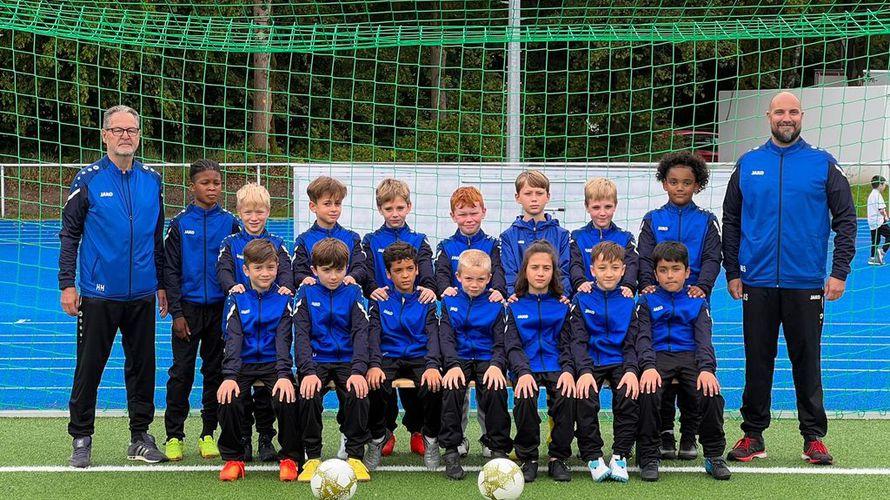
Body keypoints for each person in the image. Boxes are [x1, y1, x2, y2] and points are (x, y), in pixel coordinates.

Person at [722, 91, 857, 466]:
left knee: (807, 361)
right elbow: (731, 220)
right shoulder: (749, 163)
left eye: (793, 111)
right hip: (757, 281)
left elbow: (846, 220)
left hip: (806, 282)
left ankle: (813, 437)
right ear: (769, 116)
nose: (786, 117)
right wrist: (733, 271)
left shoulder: (822, 164)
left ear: (802, 116)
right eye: (780, 111)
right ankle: (752, 435)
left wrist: (839, 271)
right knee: (757, 361)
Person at [59, 104, 167, 467]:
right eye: (118, 130)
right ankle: (81, 437)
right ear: (105, 135)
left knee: (143, 368)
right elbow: (70, 234)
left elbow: (156, 239)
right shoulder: (87, 180)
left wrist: (161, 284)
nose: (125, 136)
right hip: (98, 293)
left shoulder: (152, 180)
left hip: (143, 294)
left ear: (139, 136)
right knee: (89, 368)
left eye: (131, 130)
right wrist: (67, 284)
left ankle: (140, 437)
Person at [637, 151, 722, 460]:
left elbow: (712, 257)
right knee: (661, 365)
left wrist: (703, 286)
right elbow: (644, 256)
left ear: (697, 185)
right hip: (659, 297)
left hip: (692, 300)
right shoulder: (653, 219)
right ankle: (664, 431)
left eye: (687, 182)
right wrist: (647, 283)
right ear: (664, 184)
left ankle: (689, 433)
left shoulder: (707, 221)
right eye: (673, 182)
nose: (680, 187)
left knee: (693, 365)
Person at [163, 160, 240, 461]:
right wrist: (177, 313)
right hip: (188, 311)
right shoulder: (180, 224)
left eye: (217, 183)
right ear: (192, 186)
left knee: (215, 371)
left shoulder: (230, 223)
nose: (212, 188)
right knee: (181, 373)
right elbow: (170, 270)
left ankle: (208, 432)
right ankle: (174, 435)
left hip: (220, 310)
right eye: (205, 183)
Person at [635, 242, 731, 482]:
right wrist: (648, 367)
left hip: (690, 356)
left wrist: (707, 369)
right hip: (657, 356)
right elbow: (643, 338)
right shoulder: (646, 301)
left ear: (687, 272)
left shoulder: (697, 301)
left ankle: (714, 455)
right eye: (663, 270)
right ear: (655, 273)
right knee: (647, 391)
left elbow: (704, 340)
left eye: (675, 269)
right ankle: (648, 456)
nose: (670, 275)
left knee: (710, 392)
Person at [217, 182, 294, 462]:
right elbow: (223, 270)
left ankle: (265, 437)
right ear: (239, 212)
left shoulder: (278, 243)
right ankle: (242, 440)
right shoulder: (230, 243)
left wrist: (285, 287)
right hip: (243, 314)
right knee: (238, 390)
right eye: (248, 212)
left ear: (268, 212)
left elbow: (286, 271)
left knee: (267, 394)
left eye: (259, 212)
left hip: (270, 317)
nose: (254, 217)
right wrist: (231, 286)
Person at [216, 239, 303, 482]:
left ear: (277, 268)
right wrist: (230, 376)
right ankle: (234, 458)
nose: (265, 273)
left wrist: (284, 375)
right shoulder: (236, 298)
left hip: (273, 364)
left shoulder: (284, 299)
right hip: (242, 364)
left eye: (270, 267)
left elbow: (283, 340)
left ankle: (290, 457)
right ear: (246, 270)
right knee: (228, 396)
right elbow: (233, 338)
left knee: (287, 395)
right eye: (258, 268)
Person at [361, 178, 436, 457]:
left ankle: (418, 429)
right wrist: (372, 289)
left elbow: (427, 273)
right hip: (385, 316)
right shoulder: (371, 241)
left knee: (420, 378)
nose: (395, 213)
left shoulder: (419, 240)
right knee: (381, 377)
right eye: (389, 208)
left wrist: (428, 288)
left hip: (414, 316)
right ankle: (385, 430)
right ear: (380, 209)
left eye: (400, 208)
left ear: (409, 207)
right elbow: (367, 273)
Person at [294, 238, 373, 482]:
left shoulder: (353, 292)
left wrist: (358, 370)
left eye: (339, 269)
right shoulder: (305, 292)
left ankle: (355, 456)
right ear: (314, 270)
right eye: (326, 270)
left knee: (359, 392)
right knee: (307, 393)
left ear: (347, 268)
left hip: (347, 360)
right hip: (316, 360)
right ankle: (312, 457)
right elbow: (301, 335)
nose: (333, 276)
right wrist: (308, 372)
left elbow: (361, 333)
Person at [435, 186, 505, 457]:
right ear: (453, 216)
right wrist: (445, 289)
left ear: (483, 212)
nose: (468, 219)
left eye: (473, 213)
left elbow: (499, 273)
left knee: (491, 386)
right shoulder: (446, 246)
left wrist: (499, 290)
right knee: (456, 386)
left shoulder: (493, 244)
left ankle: (490, 439)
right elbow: (441, 275)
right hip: (461, 331)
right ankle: (458, 439)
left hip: (484, 341)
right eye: (462, 214)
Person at [365, 243, 443, 471]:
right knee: (374, 383)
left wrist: (432, 365)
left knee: (434, 384)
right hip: (388, 356)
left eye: (410, 269)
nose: (405, 275)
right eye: (398, 270)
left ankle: (430, 438)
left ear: (417, 269)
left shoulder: (426, 299)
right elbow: (373, 335)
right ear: (388, 274)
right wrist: (374, 365)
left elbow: (433, 335)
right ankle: (378, 438)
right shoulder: (380, 299)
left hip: (419, 356)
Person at [503, 241, 576, 484]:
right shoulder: (514, 305)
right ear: (525, 271)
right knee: (525, 397)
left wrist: (568, 370)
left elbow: (568, 344)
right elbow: (512, 346)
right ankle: (528, 457)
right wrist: (523, 372)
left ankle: (558, 457)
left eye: (547, 268)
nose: (541, 273)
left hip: (557, 365)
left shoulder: (563, 305)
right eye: (535, 267)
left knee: (567, 395)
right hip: (526, 366)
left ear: (554, 272)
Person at [437, 250, 512, 480]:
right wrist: (452, 365)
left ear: (489, 278)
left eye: (480, 279)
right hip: (458, 358)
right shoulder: (449, 301)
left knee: (495, 388)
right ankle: (452, 449)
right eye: (468, 278)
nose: (474, 284)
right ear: (458, 276)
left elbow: (501, 341)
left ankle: (497, 448)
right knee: (452, 387)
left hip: (487, 358)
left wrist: (497, 365)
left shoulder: (496, 304)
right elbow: (445, 338)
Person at [570, 241, 640, 483]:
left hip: (619, 360)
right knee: (584, 396)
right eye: (602, 268)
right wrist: (584, 371)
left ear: (623, 271)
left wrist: (631, 369)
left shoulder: (628, 301)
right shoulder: (582, 299)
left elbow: (631, 342)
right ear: (592, 270)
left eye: (614, 268)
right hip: (591, 361)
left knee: (629, 393)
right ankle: (593, 455)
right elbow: (577, 341)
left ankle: (620, 455)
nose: (608, 273)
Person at [500, 170, 572, 297]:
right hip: (520, 302)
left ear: (548, 196)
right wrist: (514, 296)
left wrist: (563, 296)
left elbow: (564, 272)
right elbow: (509, 273)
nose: (534, 199)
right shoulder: (508, 236)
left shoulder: (562, 235)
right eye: (528, 193)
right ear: (517, 197)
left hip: (553, 302)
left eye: (539, 193)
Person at [292, 176, 367, 286]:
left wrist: (353, 276)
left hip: (345, 294)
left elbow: (360, 267)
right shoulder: (303, 240)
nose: (334, 209)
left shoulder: (352, 238)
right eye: (327, 204)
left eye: (337, 203)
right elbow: (298, 271)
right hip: (315, 295)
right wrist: (304, 278)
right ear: (313, 206)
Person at [569, 178, 639, 296]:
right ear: (587, 206)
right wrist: (580, 282)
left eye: (608, 207)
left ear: (615, 206)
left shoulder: (626, 238)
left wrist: (628, 286)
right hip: (586, 297)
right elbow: (574, 264)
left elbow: (632, 265)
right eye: (596, 207)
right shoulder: (577, 237)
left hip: (617, 299)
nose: (602, 213)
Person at [867, 175, 890, 265]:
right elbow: (881, 209)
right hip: (879, 221)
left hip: (872, 221)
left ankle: (872, 258)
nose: (884, 186)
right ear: (880, 185)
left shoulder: (871, 195)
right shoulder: (877, 195)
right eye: (884, 184)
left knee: (875, 241)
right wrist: (886, 217)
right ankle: (882, 251)